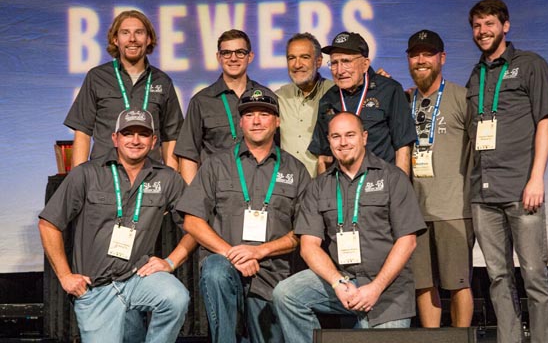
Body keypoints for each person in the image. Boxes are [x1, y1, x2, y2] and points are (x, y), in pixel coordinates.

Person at [39, 108, 195, 342]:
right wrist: (65, 276)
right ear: (115, 138)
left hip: (136, 277)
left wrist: (171, 261)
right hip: (96, 288)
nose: (135, 140)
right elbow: (48, 223)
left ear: (153, 141)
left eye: (143, 134)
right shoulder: (88, 173)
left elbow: (196, 225)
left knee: (176, 297)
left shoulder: (168, 178)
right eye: (127, 133)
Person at [273, 112, 426, 342]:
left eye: (350, 135)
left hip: (387, 290)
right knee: (286, 294)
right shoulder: (319, 187)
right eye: (336, 136)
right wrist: (337, 282)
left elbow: (408, 240)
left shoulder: (392, 178)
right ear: (329, 141)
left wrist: (375, 287)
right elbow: (309, 246)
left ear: (364, 137)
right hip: (343, 281)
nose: (343, 142)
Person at [177, 88, 310, 342]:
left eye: (264, 114)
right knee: (215, 269)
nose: (257, 121)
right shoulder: (217, 165)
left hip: (273, 275)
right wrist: (233, 253)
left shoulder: (296, 170)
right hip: (227, 269)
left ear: (277, 121)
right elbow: (192, 220)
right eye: (249, 115)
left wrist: (259, 251)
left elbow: (303, 234)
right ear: (241, 122)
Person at [466, 0, 548, 343]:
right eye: (476, 26)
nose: (482, 31)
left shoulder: (530, 65)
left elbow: (545, 123)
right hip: (483, 193)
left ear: (505, 26)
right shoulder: (476, 73)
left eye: (489, 23)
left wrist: (537, 178)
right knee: (498, 277)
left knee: (534, 275)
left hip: (522, 188)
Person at [405, 30, 474, 327]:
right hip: (415, 213)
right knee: (423, 283)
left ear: (442, 58)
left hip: (453, 209)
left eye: (428, 54)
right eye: (415, 54)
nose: (421, 60)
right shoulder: (403, 100)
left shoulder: (463, 97)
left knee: (458, 282)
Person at [65, 10, 183, 170]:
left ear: (149, 39)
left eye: (139, 32)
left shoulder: (162, 81)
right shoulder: (96, 77)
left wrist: (172, 182)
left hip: (150, 179)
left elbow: (171, 137)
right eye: (125, 33)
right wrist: (78, 181)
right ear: (115, 39)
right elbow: (83, 133)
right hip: (104, 176)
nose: (132, 39)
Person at [308, 32, 416, 175]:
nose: (340, 70)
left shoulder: (389, 90)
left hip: (382, 186)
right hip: (343, 189)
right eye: (334, 63)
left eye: (346, 61)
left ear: (365, 64)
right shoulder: (327, 100)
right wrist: (325, 194)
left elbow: (402, 148)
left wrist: (400, 191)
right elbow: (324, 157)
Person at [175, 29, 268, 184]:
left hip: (260, 187)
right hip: (216, 190)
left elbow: (278, 148)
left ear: (250, 56)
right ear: (219, 57)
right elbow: (188, 155)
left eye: (240, 52)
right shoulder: (201, 101)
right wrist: (193, 201)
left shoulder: (266, 98)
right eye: (226, 53)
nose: (233, 58)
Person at [275, 32, 334, 177]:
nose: (297, 64)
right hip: (287, 187)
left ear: (319, 61)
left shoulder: (335, 93)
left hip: (326, 185)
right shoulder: (278, 97)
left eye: (305, 57)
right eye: (291, 58)